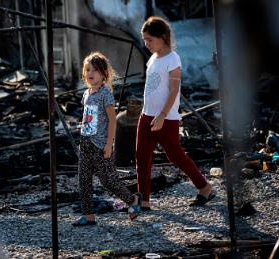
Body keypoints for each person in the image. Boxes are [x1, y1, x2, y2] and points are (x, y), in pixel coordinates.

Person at [136, 16, 215, 210]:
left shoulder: (173, 59)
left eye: (150, 40)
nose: (146, 44)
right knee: (141, 156)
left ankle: (205, 188)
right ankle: (143, 200)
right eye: (144, 40)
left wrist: (162, 115)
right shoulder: (153, 58)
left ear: (162, 37)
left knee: (175, 156)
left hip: (166, 118)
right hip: (146, 115)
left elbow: (173, 90)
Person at [73, 52, 141, 226]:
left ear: (104, 73)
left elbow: (112, 119)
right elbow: (87, 117)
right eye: (88, 69)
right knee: (84, 180)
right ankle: (88, 216)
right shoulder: (87, 94)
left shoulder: (105, 94)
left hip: (101, 144)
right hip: (86, 142)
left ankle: (132, 200)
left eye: (95, 70)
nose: (90, 73)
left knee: (108, 180)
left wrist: (109, 144)